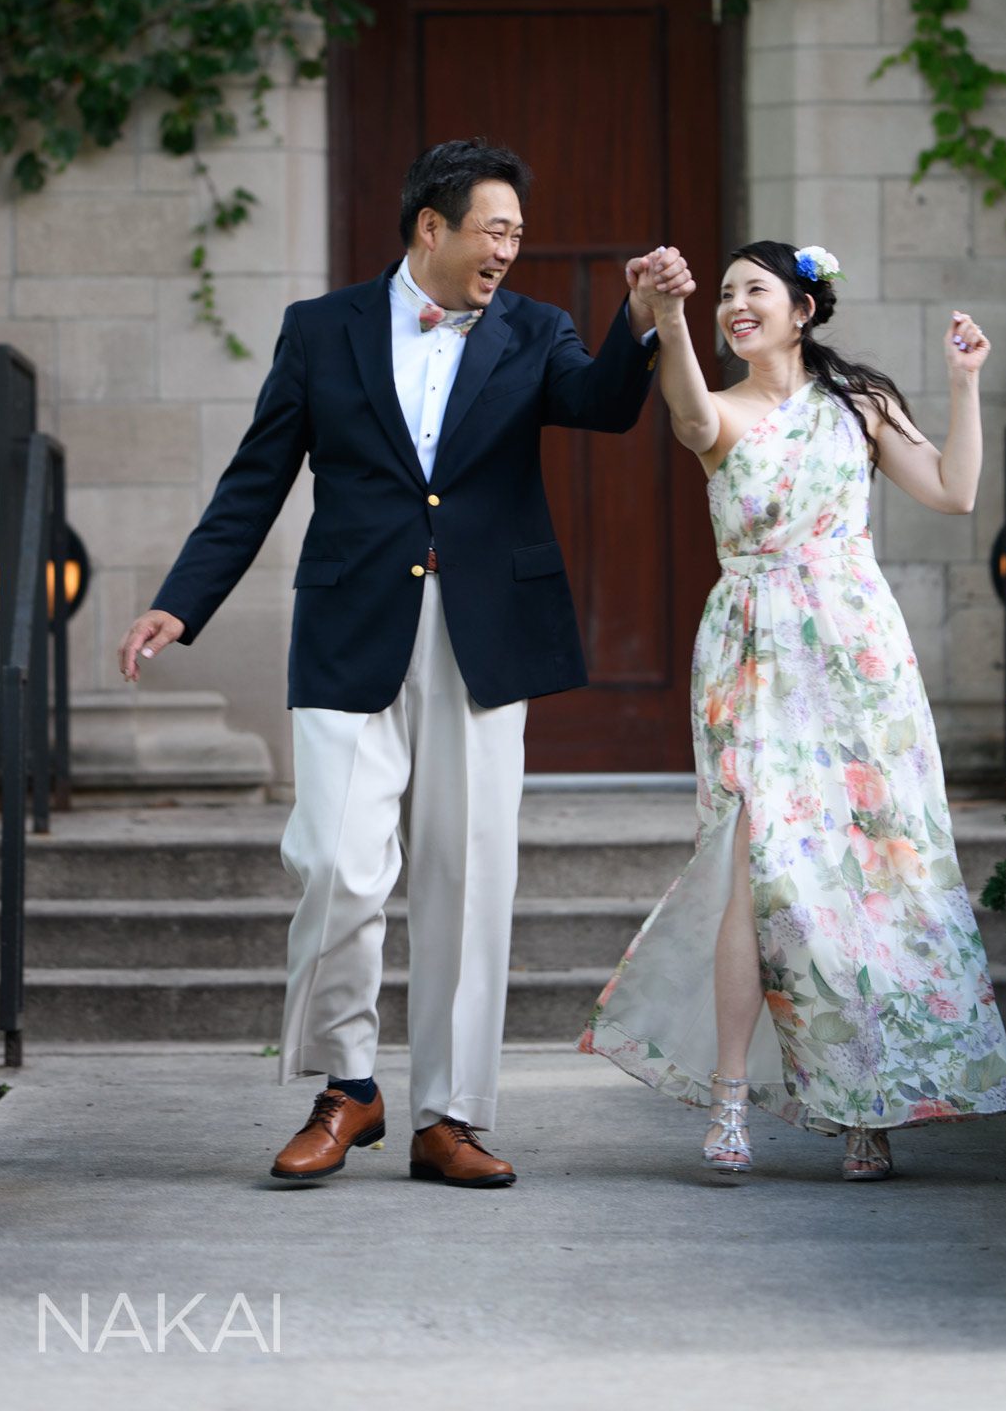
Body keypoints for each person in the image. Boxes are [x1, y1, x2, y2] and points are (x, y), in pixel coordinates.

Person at [117, 138, 693, 1189]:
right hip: (349, 627)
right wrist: (179, 601)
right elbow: (255, 480)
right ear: (431, 226)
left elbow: (605, 404)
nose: (510, 249)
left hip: (486, 632)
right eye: (494, 229)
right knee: (334, 863)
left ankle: (450, 1114)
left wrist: (643, 320)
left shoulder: (537, 328)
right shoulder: (318, 329)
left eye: (519, 232)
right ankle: (349, 1087)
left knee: (468, 874)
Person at [580, 239, 1006, 1181]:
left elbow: (955, 491)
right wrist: (665, 312)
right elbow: (692, 410)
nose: (737, 306)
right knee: (759, 865)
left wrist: (966, 382)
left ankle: (871, 1104)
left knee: (871, 867)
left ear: (803, 310)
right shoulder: (722, 411)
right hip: (753, 652)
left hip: (859, 652)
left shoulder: (860, 406)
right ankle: (733, 1096)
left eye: (756, 291)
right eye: (727, 294)